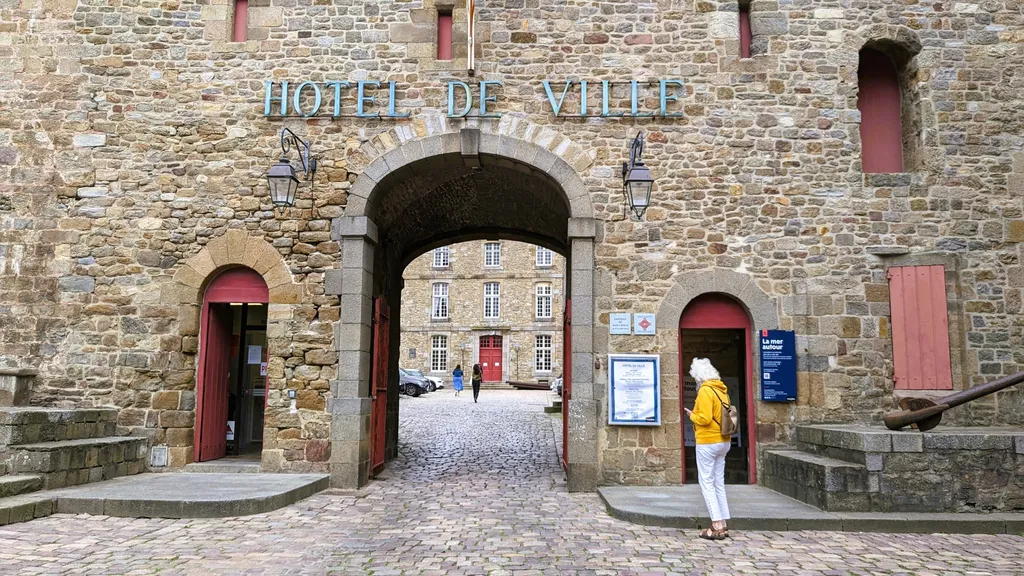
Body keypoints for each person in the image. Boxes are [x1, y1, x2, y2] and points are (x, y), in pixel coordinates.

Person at [683, 357, 732, 540]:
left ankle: (716, 526)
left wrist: (692, 415)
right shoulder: (722, 390)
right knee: (718, 482)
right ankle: (724, 524)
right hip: (724, 441)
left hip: (708, 441)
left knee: (707, 483)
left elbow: (704, 418)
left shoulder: (705, 391)